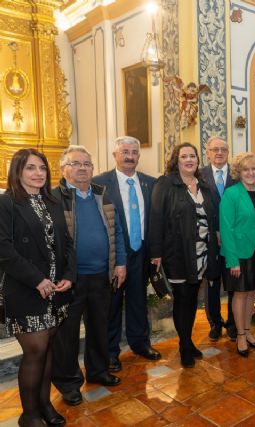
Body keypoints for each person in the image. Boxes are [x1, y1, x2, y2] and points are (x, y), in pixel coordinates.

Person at [0, 149, 74, 427]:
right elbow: (4, 250)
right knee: (35, 351)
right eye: (31, 168)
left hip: (55, 291)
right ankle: (28, 415)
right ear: (17, 171)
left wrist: (69, 275)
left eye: (42, 168)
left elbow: (67, 243)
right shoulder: (6, 203)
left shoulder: (52, 201)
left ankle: (44, 406)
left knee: (48, 349)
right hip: (25, 290)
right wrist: (37, 280)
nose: (38, 173)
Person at [52, 145, 126, 406]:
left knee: (99, 327)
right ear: (64, 169)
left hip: (101, 275)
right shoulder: (54, 198)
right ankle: (69, 384)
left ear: (93, 169)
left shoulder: (102, 194)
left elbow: (116, 230)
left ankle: (98, 371)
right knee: (67, 335)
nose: (82, 168)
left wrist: (120, 264)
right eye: (76, 163)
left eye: (87, 164)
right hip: (70, 280)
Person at [149, 143, 221, 368]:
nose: (189, 160)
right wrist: (156, 253)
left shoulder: (205, 186)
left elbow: (214, 218)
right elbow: (156, 218)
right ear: (176, 160)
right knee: (183, 299)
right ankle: (184, 346)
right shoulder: (166, 183)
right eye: (184, 156)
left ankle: (188, 342)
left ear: (198, 160)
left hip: (201, 254)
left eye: (193, 156)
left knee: (192, 299)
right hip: (177, 253)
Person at [93, 136, 161, 374]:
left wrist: (155, 252)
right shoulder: (99, 183)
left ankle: (140, 343)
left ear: (139, 156)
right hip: (113, 255)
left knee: (138, 300)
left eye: (134, 152)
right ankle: (111, 352)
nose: (129, 156)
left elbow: (155, 220)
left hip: (141, 251)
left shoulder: (150, 183)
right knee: (112, 304)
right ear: (115, 155)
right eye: (124, 152)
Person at [219, 153, 255, 357]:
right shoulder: (231, 193)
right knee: (239, 293)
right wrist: (232, 260)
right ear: (239, 172)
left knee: (251, 293)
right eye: (246, 169)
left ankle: (248, 331)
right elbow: (226, 228)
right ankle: (239, 335)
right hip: (238, 253)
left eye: (254, 169)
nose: (250, 173)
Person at [200, 136, 237, 341]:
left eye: (223, 149)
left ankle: (232, 324)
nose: (219, 153)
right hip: (210, 240)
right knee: (212, 282)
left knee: (233, 281)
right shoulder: (199, 175)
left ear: (228, 152)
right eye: (215, 149)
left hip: (233, 240)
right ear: (207, 152)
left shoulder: (237, 175)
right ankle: (215, 323)